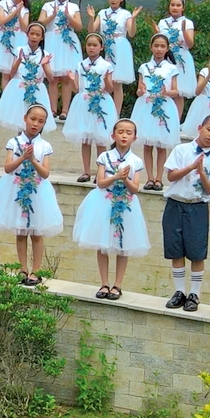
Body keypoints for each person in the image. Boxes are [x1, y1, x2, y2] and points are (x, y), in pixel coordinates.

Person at [0, 102, 63, 287]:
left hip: (37, 191)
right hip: (16, 188)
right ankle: (23, 268)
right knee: (20, 232)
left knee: (36, 233)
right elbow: (8, 168)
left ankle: (36, 270)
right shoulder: (14, 142)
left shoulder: (45, 146)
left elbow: (45, 173)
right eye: (33, 119)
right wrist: (23, 157)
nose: (35, 124)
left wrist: (33, 160)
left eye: (40, 121)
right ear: (25, 118)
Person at [74, 119, 147, 300]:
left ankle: (118, 285)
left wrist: (125, 179)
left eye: (129, 133)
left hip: (126, 204)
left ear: (134, 137)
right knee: (102, 245)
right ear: (113, 135)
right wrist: (116, 176)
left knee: (123, 245)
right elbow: (100, 182)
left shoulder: (136, 161)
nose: (124, 135)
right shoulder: (105, 157)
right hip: (105, 202)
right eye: (120, 132)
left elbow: (135, 188)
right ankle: (104, 283)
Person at [162, 114, 210, 312]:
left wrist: (202, 173)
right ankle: (179, 291)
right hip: (175, 204)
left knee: (197, 252)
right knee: (176, 249)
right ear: (200, 128)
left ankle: (194, 294)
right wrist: (191, 167)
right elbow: (171, 175)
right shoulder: (181, 150)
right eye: (209, 129)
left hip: (198, 207)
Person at [131, 33, 182, 191]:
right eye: (156, 46)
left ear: (167, 48)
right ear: (151, 47)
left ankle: (159, 178)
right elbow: (139, 90)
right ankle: (149, 178)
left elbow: (176, 91)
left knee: (161, 146)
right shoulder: (144, 67)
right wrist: (141, 91)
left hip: (164, 106)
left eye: (162, 46)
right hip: (146, 106)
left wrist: (167, 92)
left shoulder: (171, 68)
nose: (159, 49)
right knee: (147, 145)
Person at [63, 33, 117, 181]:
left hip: (101, 102)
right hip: (84, 102)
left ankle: (101, 172)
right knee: (85, 140)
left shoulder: (106, 65)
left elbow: (110, 89)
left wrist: (106, 81)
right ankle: (86, 171)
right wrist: (72, 80)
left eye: (95, 45)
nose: (91, 48)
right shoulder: (80, 65)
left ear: (101, 47)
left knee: (100, 140)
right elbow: (77, 89)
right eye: (89, 45)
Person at [0, 21, 53, 132]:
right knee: (20, 121)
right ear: (27, 34)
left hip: (37, 90)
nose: (34, 37)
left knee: (35, 120)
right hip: (19, 89)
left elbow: (50, 79)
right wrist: (18, 60)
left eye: (38, 34)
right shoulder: (19, 50)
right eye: (32, 33)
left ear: (42, 37)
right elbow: (12, 73)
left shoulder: (45, 54)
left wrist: (44, 65)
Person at [41, 0, 85, 113]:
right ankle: (52, 110)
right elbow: (41, 23)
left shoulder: (73, 7)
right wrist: (53, 15)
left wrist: (68, 16)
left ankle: (65, 111)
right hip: (52, 41)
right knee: (52, 78)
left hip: (67, 42)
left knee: (67, 77)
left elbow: (79, 27)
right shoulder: (47, 5)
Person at [90, 0, 137, 106]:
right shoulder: (102, 13)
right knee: (103, 79)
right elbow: (91, 31)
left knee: (116, 82)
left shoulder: (126, 14)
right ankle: (102, 107)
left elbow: (131, 33)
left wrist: (133, 19)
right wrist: (91, 18)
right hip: (105, 46)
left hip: (120, 47)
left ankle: (116, 112)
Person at [158, 0, 199, 100]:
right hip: (165, 57)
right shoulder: (162, 22)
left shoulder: (188, 22)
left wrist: (184, 31)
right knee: (163, 89)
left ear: (183, 8)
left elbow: (190, 44)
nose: (175, 8)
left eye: (178, 5)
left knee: (179, 92)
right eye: (172, 5)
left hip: (181, 59)